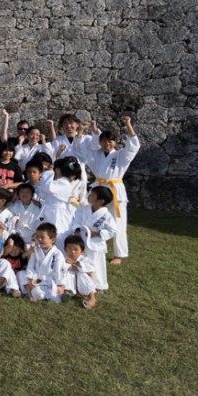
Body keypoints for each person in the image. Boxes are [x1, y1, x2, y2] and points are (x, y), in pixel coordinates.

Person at [74, 116, 140, 265]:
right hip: (98, 189)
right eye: (103, 141)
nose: (107, 144)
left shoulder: (121, 155)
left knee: (119, 222)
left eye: (110, 141)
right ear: (100, 142)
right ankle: (89, 247)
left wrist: (128, 124)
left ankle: (119, 254)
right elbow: (78, 149)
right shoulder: (95, 155)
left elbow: (134, 145)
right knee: (92, 219)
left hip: (115, 190)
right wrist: (82, 130)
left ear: (115, 142)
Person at [69, 186, 117, 291]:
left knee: (96, 265)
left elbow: (112, 230)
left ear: (100, 201)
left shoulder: (106, 215)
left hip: (95, 244)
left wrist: (97, 233)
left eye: (92, 195)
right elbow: (75, 221)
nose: (89, 196)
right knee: (80, 262)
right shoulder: (83, 210)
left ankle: (99, 286)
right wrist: (76, 230)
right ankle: (79, 284)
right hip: (81, 240)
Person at [24, 222, 67, 303]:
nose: (39, 239)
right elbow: (30, 266)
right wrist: (30, 279)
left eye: (42, 237)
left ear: (52, 239)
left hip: (51, 281)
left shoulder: (57, 254)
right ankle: (41, 296)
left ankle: (57, 295)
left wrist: (59, 285)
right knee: (37, 292)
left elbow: (59, 270)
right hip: (37, 280)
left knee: (55, 297)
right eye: (37, 237)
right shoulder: (35, 251)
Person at [62, 234, 97, 309]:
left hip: (83, 286)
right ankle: (67, 293)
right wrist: (70, 266)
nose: (73, 252)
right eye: (70, 249)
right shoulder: (63, 259)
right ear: (65, 249)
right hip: (70, 286)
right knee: (65, 273)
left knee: (83, 274)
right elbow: (62, 268)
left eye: (75, 249)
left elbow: (91, 268)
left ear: (82, 251)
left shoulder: (85, 260)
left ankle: (91, 298)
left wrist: (77, 265)